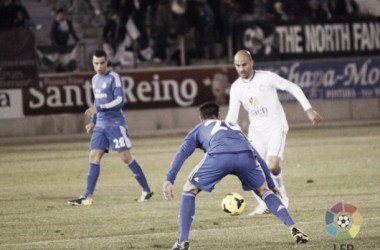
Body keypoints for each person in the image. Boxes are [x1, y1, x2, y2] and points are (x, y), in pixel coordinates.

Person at [163, 102, 309, 250]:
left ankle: (182, 242)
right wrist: (271, 185)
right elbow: (256, 154)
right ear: (219, 116)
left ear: (200, 118)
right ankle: (294, 227)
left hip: (219, 157)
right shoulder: (233, 127)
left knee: (189, 189)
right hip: (245, 157)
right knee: (264, 191)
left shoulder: (198, 129)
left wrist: (170, 179)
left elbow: (182, 153)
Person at [225, 50, 323, 216]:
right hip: (256, 132)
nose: (241, 68)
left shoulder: (267, 77)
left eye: (244, 64)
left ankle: (282, 194)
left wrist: (308, 109)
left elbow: (292, 87)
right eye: (238, 65)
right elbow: (232, 115)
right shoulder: (236, 88)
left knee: (271, 165)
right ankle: (264, 204)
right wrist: (223, 133)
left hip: (275, 127)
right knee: (250, 170)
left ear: (251, 62)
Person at [68, 49, 154, 205]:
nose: (99, 66)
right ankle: (87, 196)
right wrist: (93, 121)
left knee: (126, 157)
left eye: (102, 63)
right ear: (92, 63)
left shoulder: (114, 77)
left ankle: (146, 190)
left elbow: (120, 101)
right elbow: (96, 102)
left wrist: (98, 109)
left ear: (107, 62)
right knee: (94, 156)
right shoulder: (94, 79)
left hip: (115, 123)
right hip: (100, 124)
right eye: (96, 63)